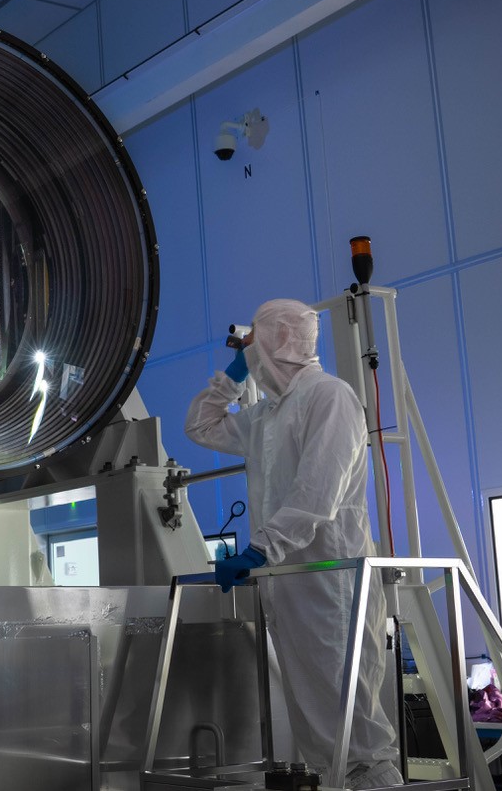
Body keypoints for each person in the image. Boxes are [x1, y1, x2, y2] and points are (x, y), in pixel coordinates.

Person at [185, 298, 402, 789]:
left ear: (274, 344)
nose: (249, 354)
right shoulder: (266, 416)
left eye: (253, 346)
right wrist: (232, 375)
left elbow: (317, 494)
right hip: (288, 584)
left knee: (353, 727)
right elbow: (200, 424)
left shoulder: (331, 397)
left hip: (332, 584)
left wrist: (260, 549)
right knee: (319, 726)